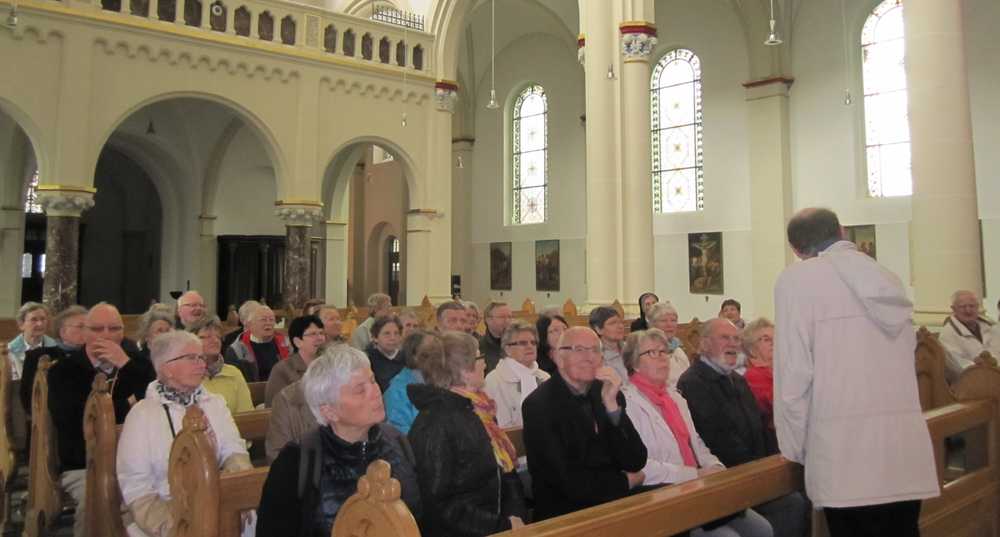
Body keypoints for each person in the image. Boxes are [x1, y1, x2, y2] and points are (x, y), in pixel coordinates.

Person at [774, 207, 939, 537]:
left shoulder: (797, 280)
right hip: (902, 453)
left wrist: (795, 449)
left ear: (796, 250)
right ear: (843, 231)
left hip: (844, 456)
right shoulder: (886, 276)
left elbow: (794, 374)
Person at [257, 345, 421, 537]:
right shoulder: (297, 460)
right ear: (329, 410)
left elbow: (422, 518)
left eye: (373, 380)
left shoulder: (397, 440)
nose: (376, 391)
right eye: (360, 389)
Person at [622, 329, 773, 537]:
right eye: (652, 353)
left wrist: (715, 467)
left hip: (698, 489)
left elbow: (697, 444)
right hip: (663, 495)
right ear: (634, 363)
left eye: (664, 352)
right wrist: (694, 474)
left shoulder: (675, 398)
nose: (662, 358)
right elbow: (641, 465)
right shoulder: (627, 403)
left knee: (762, 529)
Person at [678, 318, 805, 537]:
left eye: (736, 339)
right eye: (724, 338)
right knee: (789, 504)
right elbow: (716, 437)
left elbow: (758, 426)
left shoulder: (736, 379)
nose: (733, 344)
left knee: (795, 500)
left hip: (751, 474)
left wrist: (768, 466)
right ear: (705, 343)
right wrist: (754, 474)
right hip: (725, 480)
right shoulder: (693, 382)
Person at [117, 330, 252, 537]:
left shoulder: (215, 403)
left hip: (217, 500)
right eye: (191, 358)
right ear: (167, 368)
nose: (201, 364)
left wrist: (238, 497)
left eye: (201, 357)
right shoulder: (142, 414)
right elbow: (136, 483)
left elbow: (234, 451)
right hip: (163, 509)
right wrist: (169, 524)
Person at [47, 303, 156, 537]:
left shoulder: (137, 365)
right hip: (84, 463)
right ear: (84, 333)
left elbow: (155, 403)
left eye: (114, 328)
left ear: (122, 332)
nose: (106, 335)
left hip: (135, 460)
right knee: (98, 498)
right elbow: (71, 423)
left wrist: (124, 365)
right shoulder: (63, 371)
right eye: (97, 329)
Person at [522, 326, 648, 521]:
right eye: (579, 350)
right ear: (558, 357)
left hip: (611, 502)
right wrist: (624, 482)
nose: (589, 357)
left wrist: (612, 408)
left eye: (595, 350)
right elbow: (565, 481)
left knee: (673, 505)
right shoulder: (538, 405)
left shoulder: (606, 392)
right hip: (566, 512)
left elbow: (636, 460)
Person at [408, 331, 527, 535]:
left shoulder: (479, 410)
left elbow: (506, 473)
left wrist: (516, 515)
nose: (484, 363)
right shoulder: (435, 423)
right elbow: (439, 503)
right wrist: (502, 526)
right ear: (464, 370)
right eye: (479, 357)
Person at [20, 305, 89, 413]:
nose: (88, 331)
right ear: (63, 332)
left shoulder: (97, 356)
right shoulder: (37, 356)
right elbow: (28, 400)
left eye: (91, 327)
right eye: (81, 326)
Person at [484, 321, 550, 428]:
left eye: (533, 342)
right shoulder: (494, 380)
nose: (530, 346)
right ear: (507, 349)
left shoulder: (545, 377)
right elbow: (503, 425)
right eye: (523, 343)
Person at [189, 315, 254, 415]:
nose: (214, 340)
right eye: (206, 336)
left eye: (218, 336)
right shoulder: (186, 375)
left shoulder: (234, 373)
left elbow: (247, 416)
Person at [384, 330, 442, 434]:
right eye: (430, 355)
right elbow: (399, 431)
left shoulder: (438, 381)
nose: (439, 361)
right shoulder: (398, 390)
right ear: (414, 357)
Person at [265, 315, 326, 406]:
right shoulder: (282, 370)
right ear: (298, 342)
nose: (320, 338)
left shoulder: (329, 364)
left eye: (321, 333)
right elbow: (274, 406)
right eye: (313, 334)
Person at [938, 290, 996, 382]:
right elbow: (956, 365)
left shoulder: (990, 327)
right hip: (969, 384)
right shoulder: (947, 333)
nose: (968, 310)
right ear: (953, 309)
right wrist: (980, 369)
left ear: (977, 307)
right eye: (962, 307)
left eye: (972, 306)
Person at [224, 304, 290, 382]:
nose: (268, 323)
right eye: (263, 320)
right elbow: (234, 381)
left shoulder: (286, 343)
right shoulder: (237, 350)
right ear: (250, 325)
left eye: (271, 320)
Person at [742, 318, 776, 434]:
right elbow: (779, 404)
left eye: (776, 338)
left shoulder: (776, 371)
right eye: (766, 339)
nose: (774, 342)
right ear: (751, 348)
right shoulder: (753, 376)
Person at [7, 302, 56, 381]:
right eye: (34, 319)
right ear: (21, 324)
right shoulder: (10, 351)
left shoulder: (56, 347)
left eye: (43, 319)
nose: (40, 324)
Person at [647, 301, 691, 386]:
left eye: (673, 320)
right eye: (663, 321)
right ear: (652, 324)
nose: (669, 325)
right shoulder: (648, 351)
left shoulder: (678, 350)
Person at [589, 306, 628, 381]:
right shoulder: (596, 356)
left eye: (621, 322)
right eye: (612, 323)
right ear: (598, 329)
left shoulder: (630, 348)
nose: (620, 326)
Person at [366, 315, 404, 392]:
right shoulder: (368, 361)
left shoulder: (407, 359)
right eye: (387, 333)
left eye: (396, 333)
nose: (392, 338)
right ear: (375, 338)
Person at [479, 301, 513, 373]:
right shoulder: (479, 347)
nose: (507, 321)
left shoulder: (516, 344)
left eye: (510, 317)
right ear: (488, 320)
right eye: (502, 317)